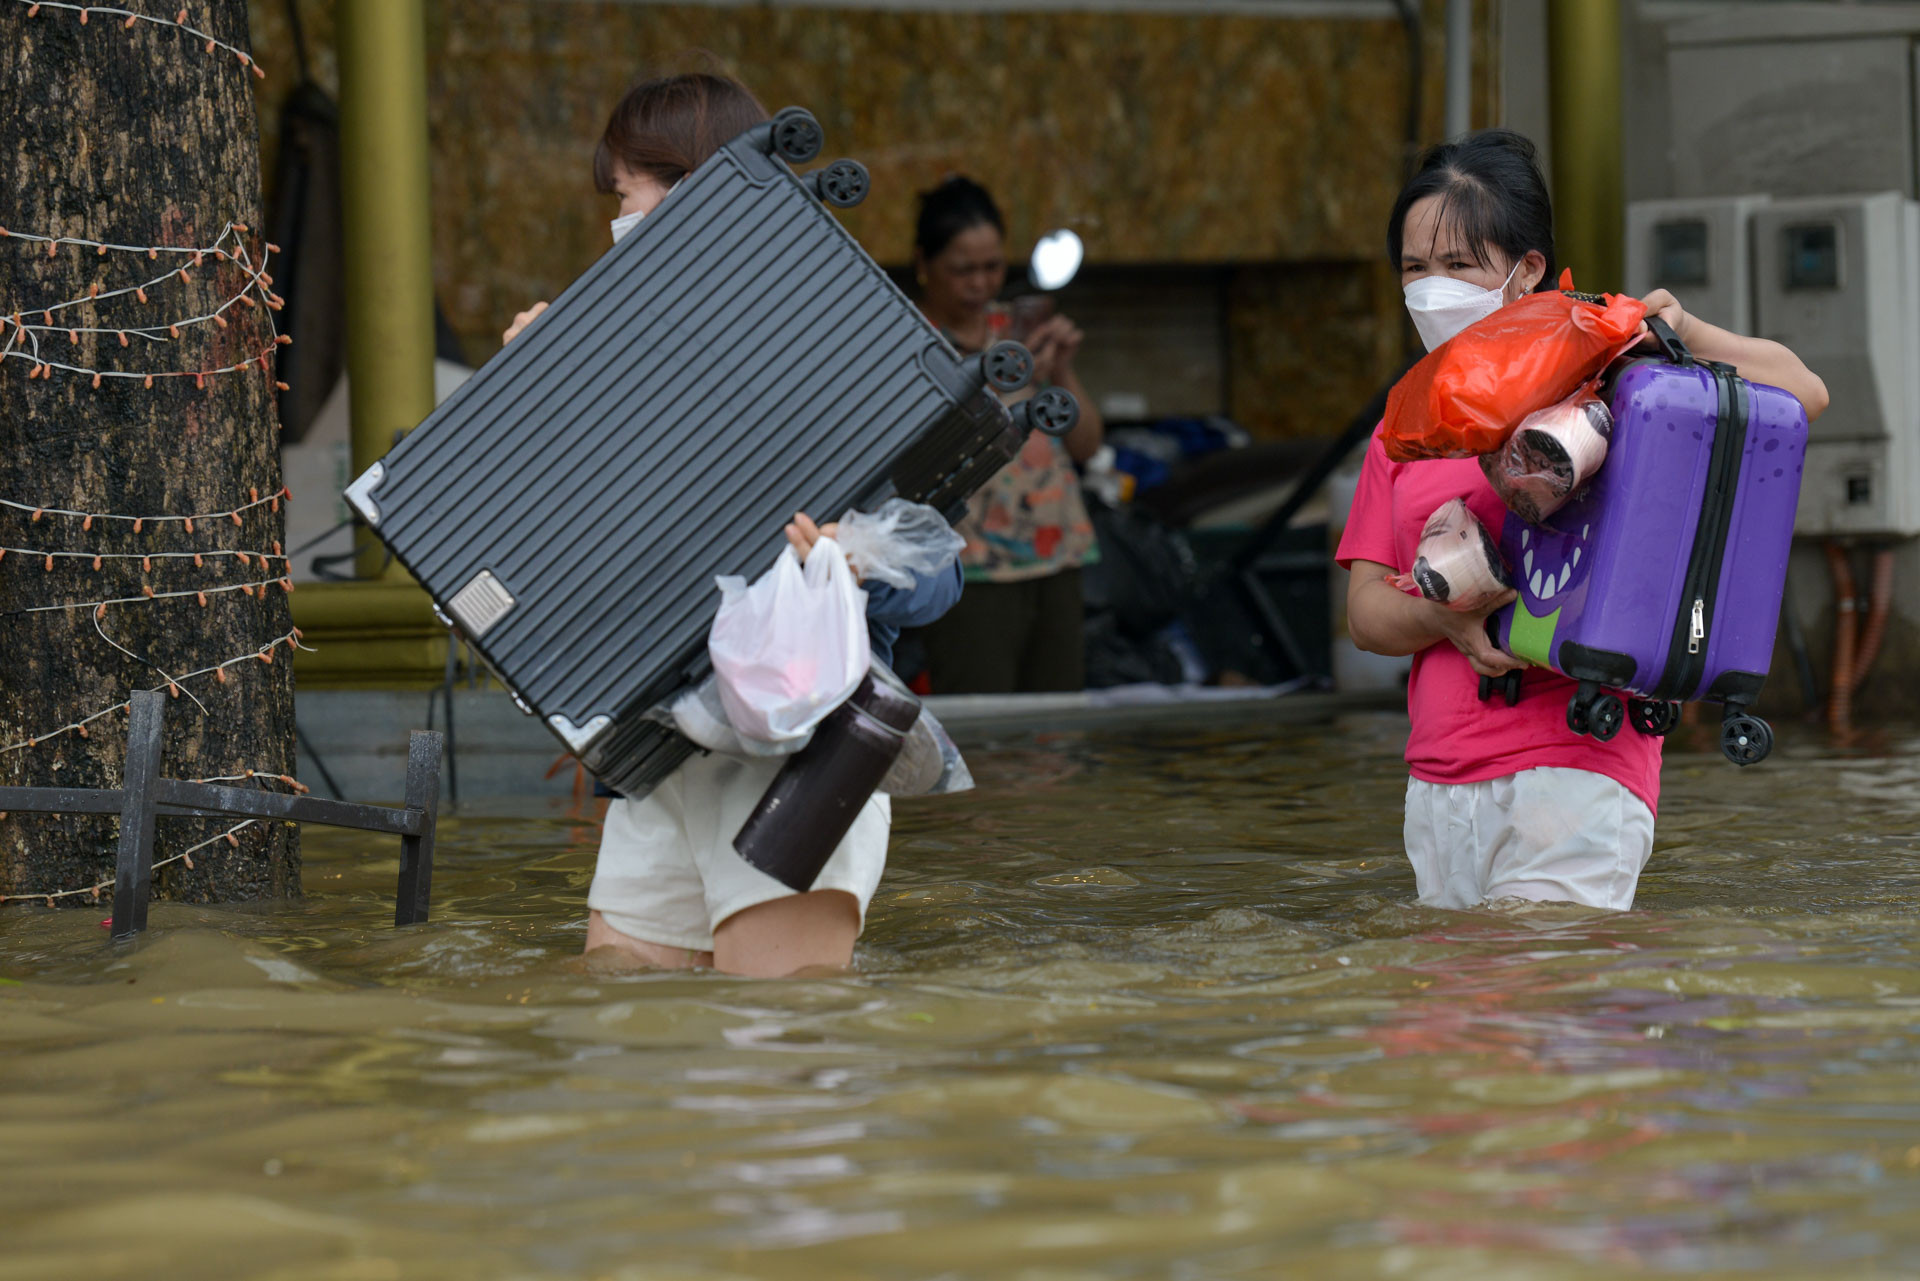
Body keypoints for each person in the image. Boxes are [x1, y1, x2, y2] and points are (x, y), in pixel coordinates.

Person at [504, 73, 963, 976]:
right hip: (660, 757)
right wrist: (534, 394)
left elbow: (940, 574)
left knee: (778, 1065)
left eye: (630, 193)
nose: (619, 221)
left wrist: (853, 552)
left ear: (698, 190)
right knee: (622, 1038)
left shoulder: (834, 345)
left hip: (798, 757)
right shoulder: (612, 354)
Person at [1338, 130, 1827, 911]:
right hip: (1438, 779)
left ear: (1527, 271)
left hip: (1576, 760)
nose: (1433, 288)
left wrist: (1684, 336)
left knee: (1549, 1003)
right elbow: (1365, 613)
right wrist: (1443, 613)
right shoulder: (1406, 427)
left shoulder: (1601, 371)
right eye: (1414, 269)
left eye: (1459, 265)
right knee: (1454, 1020)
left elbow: (1802, 392)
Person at [908, 177, 1106, 694]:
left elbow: (1086, 447)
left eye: (992, 267)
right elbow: (914, 457)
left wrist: (1060, 372)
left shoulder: (1018, 329)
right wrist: (991, 386)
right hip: (969, 565)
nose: (980, 283)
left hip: (1055, 550)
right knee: (988, 730)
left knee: (1057, 732)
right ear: (923, 264)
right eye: (963, 269)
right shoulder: (912, 341)